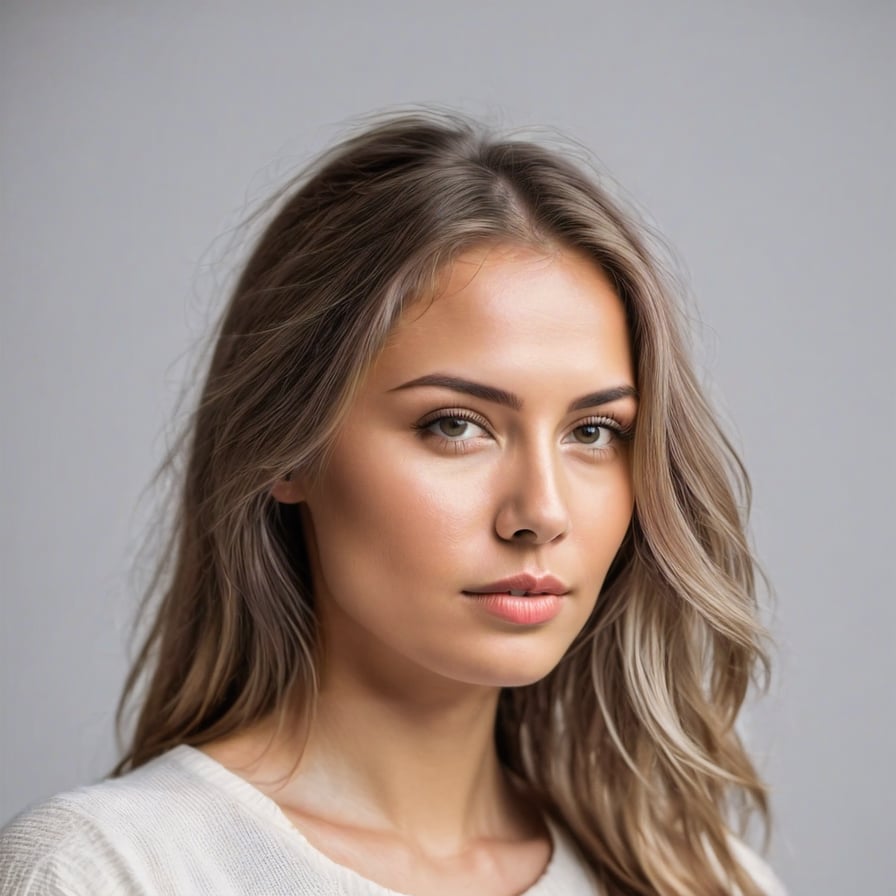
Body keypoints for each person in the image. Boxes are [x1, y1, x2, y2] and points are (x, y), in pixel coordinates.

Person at [0, 111, 786, 895]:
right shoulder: (109, 870)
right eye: (456, 425)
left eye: (593, 430)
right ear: (292, 446)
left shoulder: (703, 882)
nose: (541, 513)